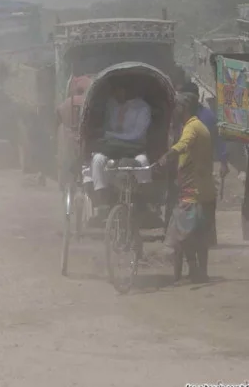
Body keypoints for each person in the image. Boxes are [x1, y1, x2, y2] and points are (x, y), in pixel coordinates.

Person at [157, 93, 216, 283]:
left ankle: (194, 270)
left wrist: (169, 154)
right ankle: (200, 272)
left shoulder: (191, 128)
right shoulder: (200, 126)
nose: (174, 111)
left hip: (193, 192)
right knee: (201, 234)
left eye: (177, 107)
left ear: (184, 108)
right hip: (204, 189)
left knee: (184, 233)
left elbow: (184, 144)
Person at [90, 80, 152, 210]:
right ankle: (102, 203)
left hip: (134, 148)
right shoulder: (113, 106)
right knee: (97, 160)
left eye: (119, 90)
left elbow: (137, 134)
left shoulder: (143, 108)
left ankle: (143, 202)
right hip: (114, 149)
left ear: (128, 91)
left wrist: (111, 136)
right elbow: (108, 127)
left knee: (143, 162)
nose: (116, 93)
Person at [180, 82, 227, 245]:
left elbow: (219, 139)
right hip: (186, 167)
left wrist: (223, 162)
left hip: (204, 167)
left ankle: (207, 238)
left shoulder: (207, 117)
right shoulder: (180, 115)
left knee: (206, 202)